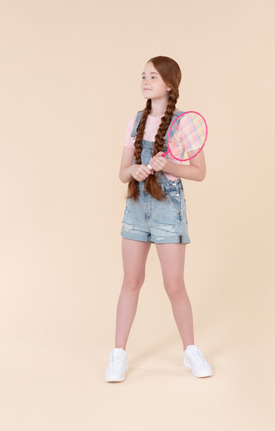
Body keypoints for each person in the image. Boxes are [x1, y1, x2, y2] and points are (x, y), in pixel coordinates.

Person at [105, 56, 213, 382]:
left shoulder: (182, 123)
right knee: (131, 281)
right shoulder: (136, 121)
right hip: (137, 207)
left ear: (169, 84)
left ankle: (191, 352)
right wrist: (134, 171)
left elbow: (200, 172)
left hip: (168, 210)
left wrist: (169, 166)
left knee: (174, 285)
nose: (145, 81)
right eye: (143, 76)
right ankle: (118, 355)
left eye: (153, 76)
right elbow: (122, 171)